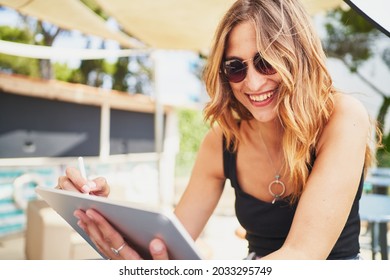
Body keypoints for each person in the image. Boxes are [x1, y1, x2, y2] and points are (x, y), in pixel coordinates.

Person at [57, 0, 380, 260]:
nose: (252, 83)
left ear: (299, 58)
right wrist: (104, 214)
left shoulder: (342, 116)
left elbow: (303, 255)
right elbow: (168, 244)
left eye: (266, 61)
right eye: (235, 67)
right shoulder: (223, 141)